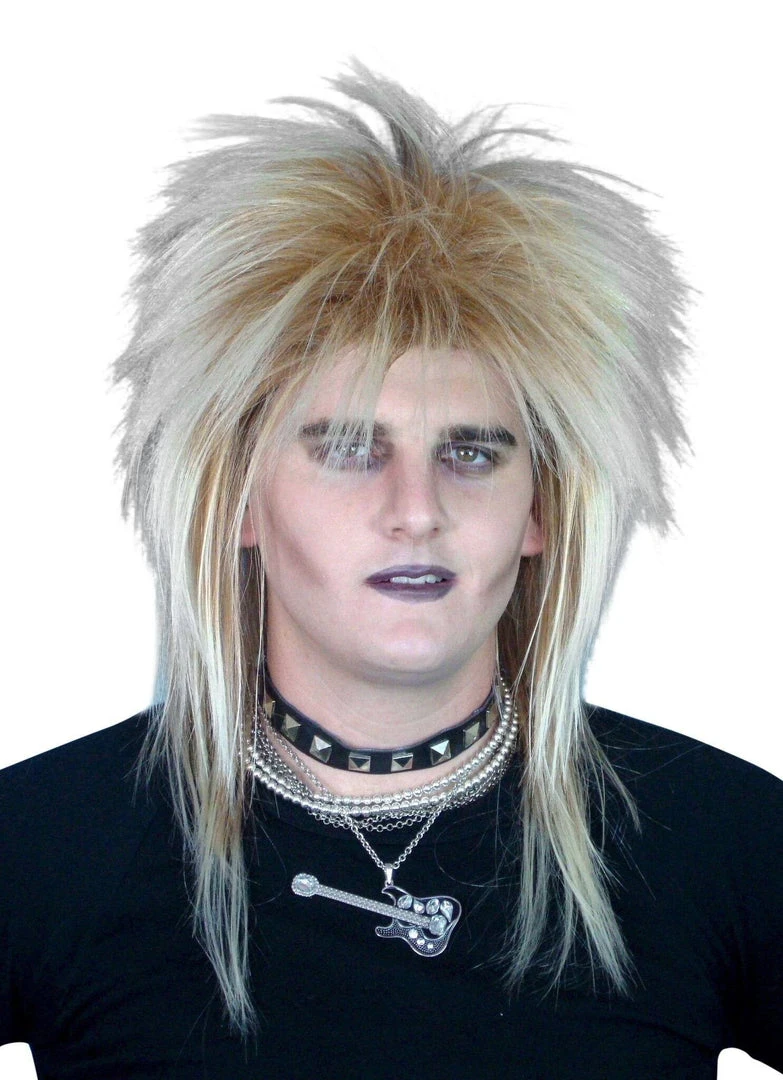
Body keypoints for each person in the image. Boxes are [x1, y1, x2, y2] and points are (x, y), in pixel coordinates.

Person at [1, 61, 781, 1080]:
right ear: (239, 503)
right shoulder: (47, 847)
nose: (417, 509)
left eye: (472, 453)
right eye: (346, 449)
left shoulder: (719, 841)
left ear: (539, 510)